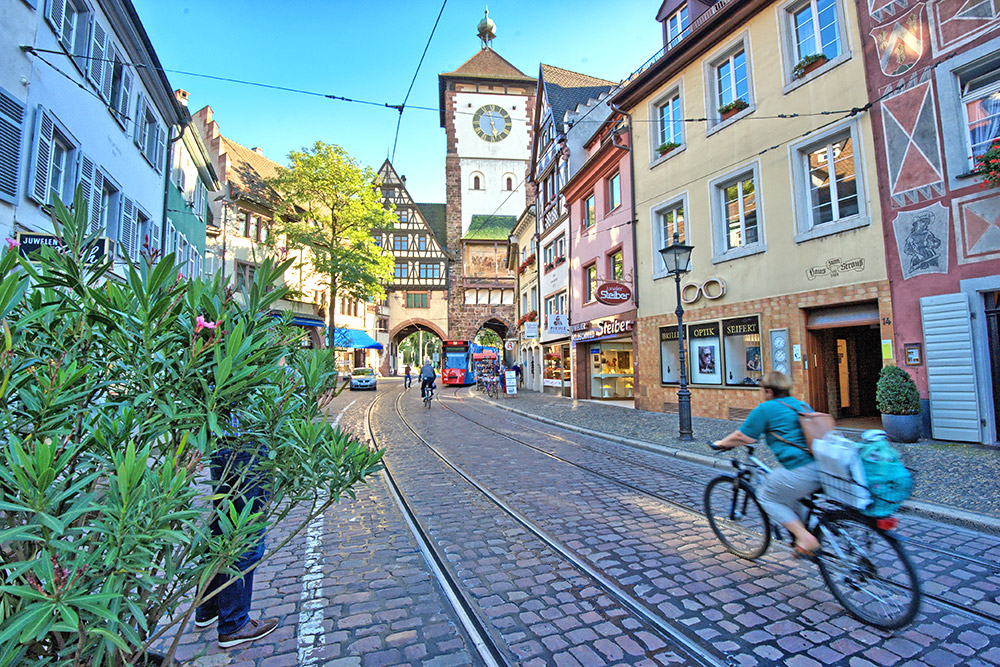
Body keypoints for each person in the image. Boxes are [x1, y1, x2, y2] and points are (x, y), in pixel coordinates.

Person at [711, 371, 821, 558]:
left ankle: (805, 538)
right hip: (821, 469)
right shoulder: (802, 405)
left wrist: (721, 443)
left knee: (765, 495)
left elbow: (742, 436)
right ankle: (802, 539)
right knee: (789, 492)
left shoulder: (766, 409)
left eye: (762, 390)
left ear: (769, 391)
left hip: (801, 470)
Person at [195, 416, 278, 648]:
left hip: (220, 440)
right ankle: (234, 624)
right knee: (247, 534)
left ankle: (208, 607)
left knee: (221, 528)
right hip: (249, 443)